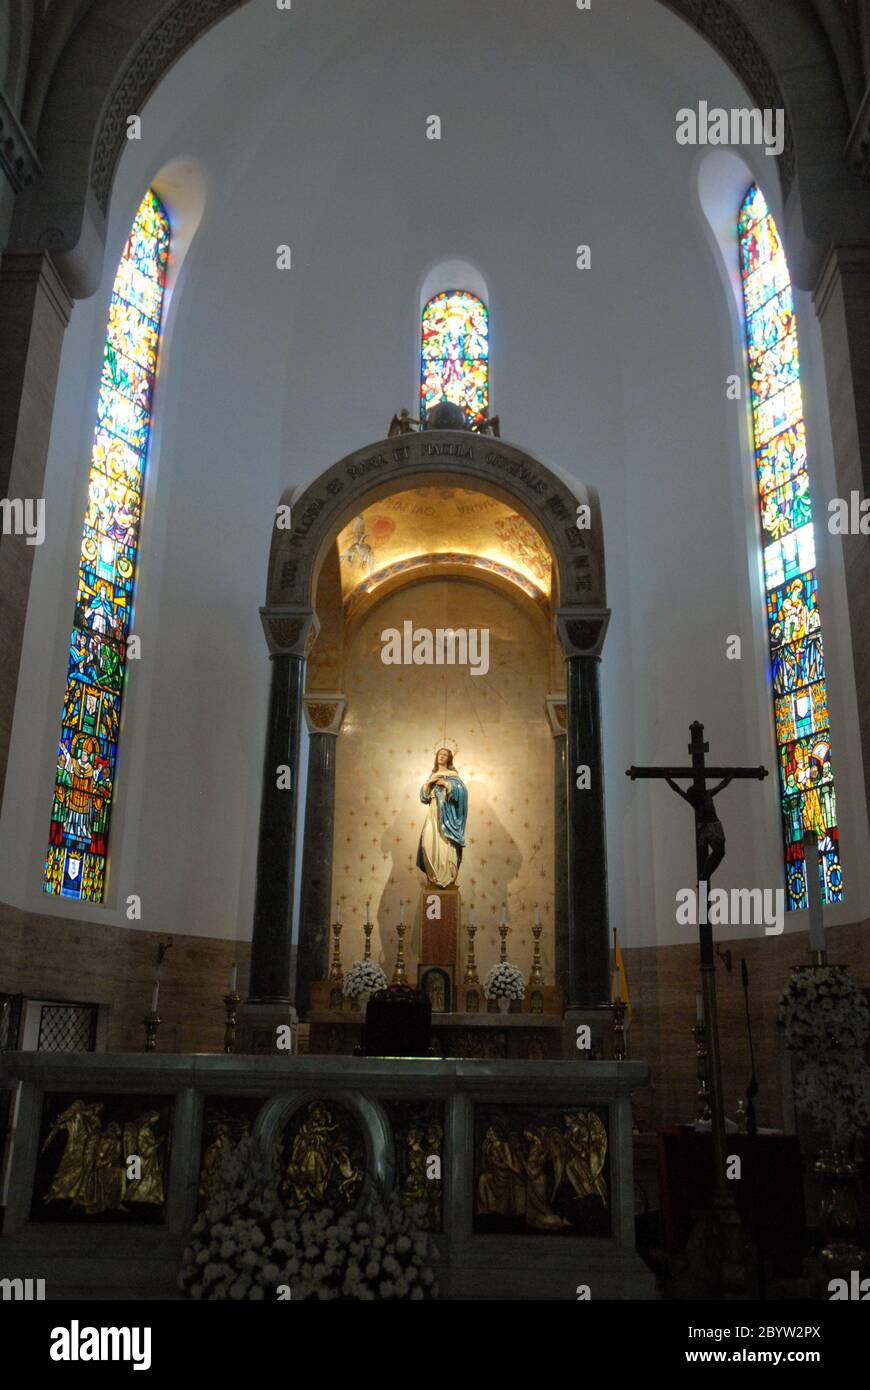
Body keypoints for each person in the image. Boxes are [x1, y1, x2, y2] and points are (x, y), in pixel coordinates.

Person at [416, 747, 468, 887]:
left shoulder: (453, 775)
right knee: (427, 844)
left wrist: (446, 784)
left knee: (445, 845)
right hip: (432, 814)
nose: (442, 756)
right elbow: (424, 797)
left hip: (447, 816)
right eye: (440, 754)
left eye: (445, 755)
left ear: (449, 758)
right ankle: (433, 876)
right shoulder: (432, 774)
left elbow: (462, 793)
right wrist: (428, 783)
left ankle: (445, 877)